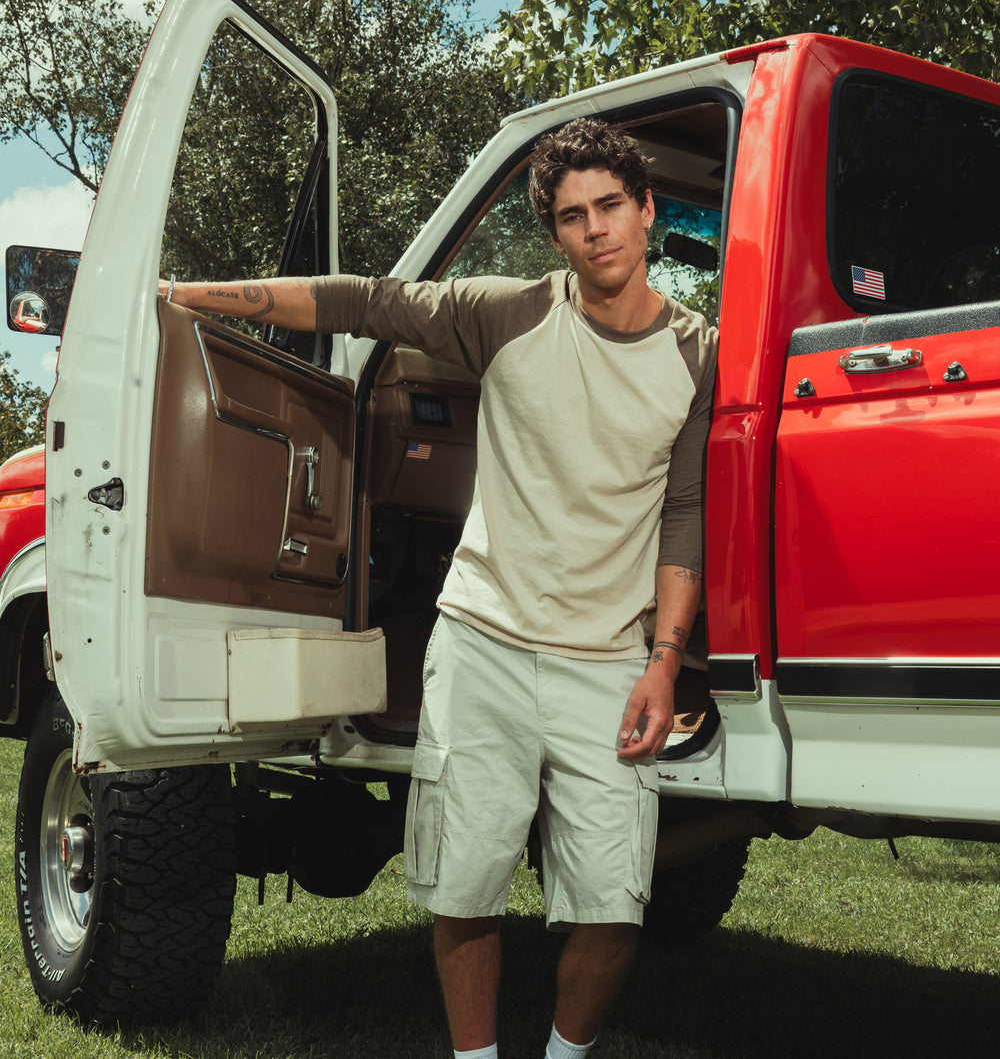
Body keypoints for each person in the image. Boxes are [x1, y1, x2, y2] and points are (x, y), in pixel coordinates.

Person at [163, 118, 717, 1059]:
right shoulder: (507, 313)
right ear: (556, 235)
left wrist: (664, 664)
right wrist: (191, 296)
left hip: (610, 666)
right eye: (574, 216)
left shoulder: (696, 355)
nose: (597, 231)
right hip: (483, 641)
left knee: (616, 902)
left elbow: (684, 513)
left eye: (612, 207)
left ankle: (563, 1055)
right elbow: (365, 304)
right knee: (467, 890)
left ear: (648, 209)